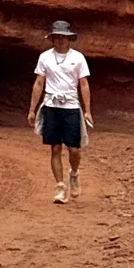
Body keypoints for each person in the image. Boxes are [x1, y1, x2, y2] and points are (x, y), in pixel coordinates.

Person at [27, 19, 93, 203]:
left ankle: (74, 173)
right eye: (57, 37)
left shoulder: (78, 58)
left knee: (74, 149)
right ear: (53, 38)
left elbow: (84, 83)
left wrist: (87, 110)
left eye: (64, 37)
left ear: (69, 39)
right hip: (51, 106)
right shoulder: (45, 57)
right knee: (55, 147)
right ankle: (60, 187)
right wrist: (32, 109)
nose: (61, 40)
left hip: (71, 106)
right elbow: (39, 82)